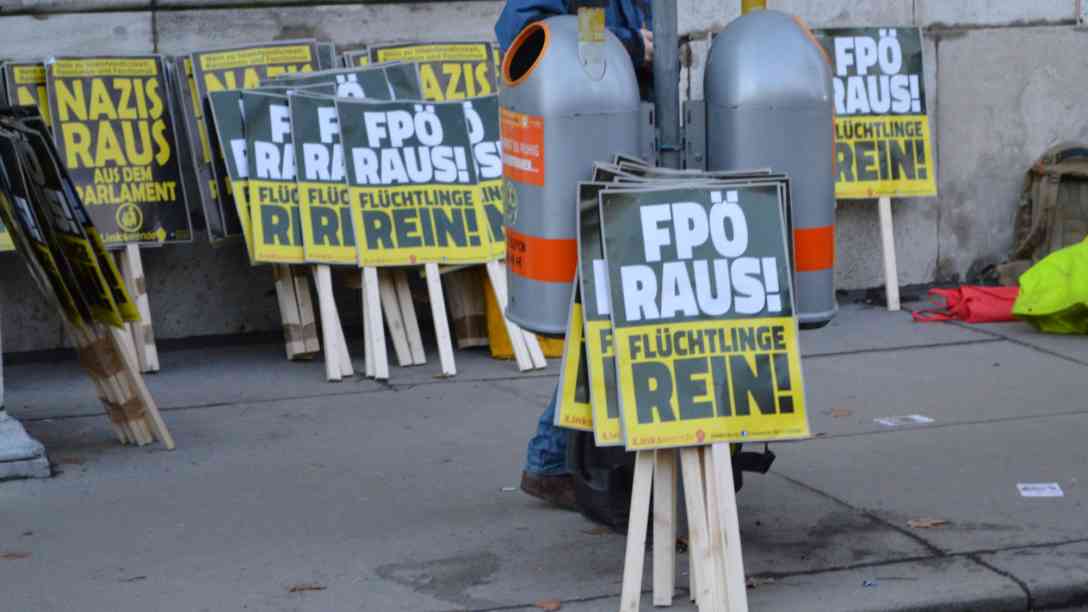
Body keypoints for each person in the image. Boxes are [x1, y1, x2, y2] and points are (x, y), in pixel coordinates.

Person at [496, 0, 654, 510]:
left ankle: (558, 457)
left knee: (609, 308)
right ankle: (550, 457)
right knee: (597, 306)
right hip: (586, 146)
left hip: (622, 136)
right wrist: (631, 46)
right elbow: (520, 33)